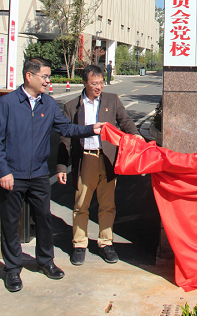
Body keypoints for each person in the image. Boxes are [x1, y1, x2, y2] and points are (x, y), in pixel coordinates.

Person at [0, 57, 104, 293]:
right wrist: (3, 171)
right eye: (45, 76)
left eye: (48, 77)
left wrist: (91, 129)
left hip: (38, 174)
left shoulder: (48, 104)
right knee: (10, 223)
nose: (48, 81)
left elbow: (66, 128)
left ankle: (45, 261)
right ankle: (13, 269)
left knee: (44, 219)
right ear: (29, 76)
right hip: (12, 175)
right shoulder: (7, 104)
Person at [57, 64, 140, 266]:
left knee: (107, 204)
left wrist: (136, 136)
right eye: (94, 83)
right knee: (81, 204)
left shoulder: (112, 100)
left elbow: (125, 121)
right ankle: (79, 244)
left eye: (101, 82)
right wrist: (61, 167)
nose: (99, 87)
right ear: (84, 83)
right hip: (86, 158)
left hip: (108, 159)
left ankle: (106, 243)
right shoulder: (72, 106)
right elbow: (65, 138)